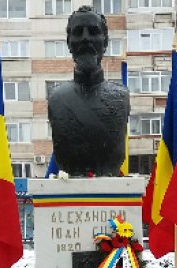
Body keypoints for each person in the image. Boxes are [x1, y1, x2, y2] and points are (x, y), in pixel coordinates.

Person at [47, 5, 130, 177]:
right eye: (78, 32)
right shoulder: (57, 98)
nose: (86, 39)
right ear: (69, 43)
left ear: (105, 42)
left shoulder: (121, 96)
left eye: (93, 31)